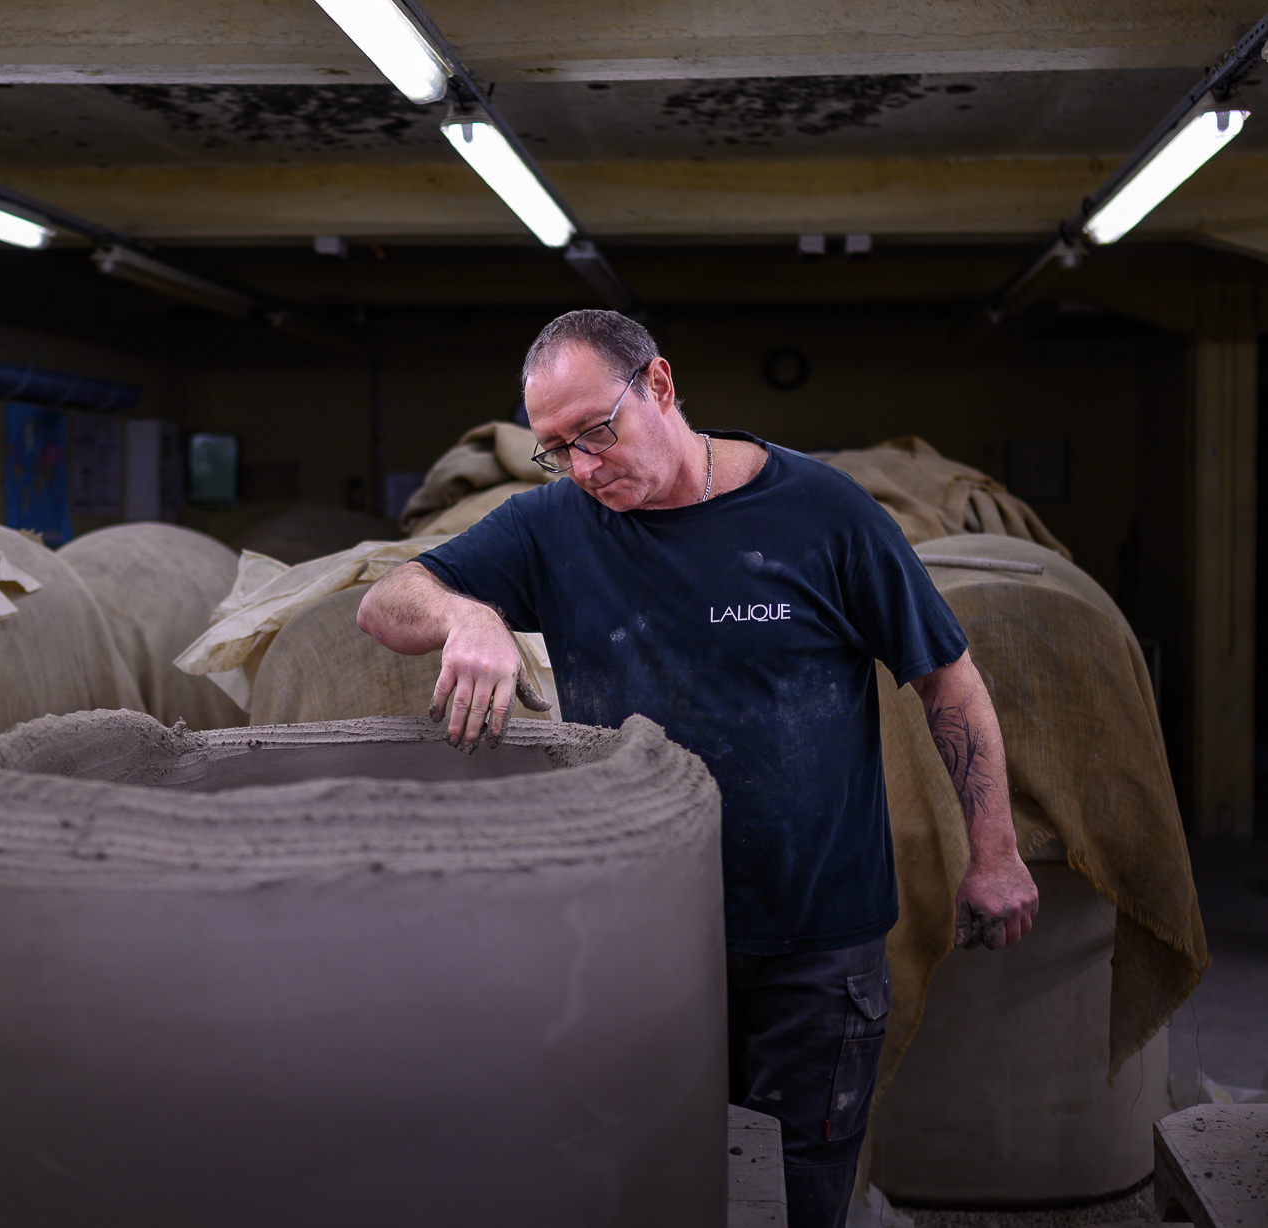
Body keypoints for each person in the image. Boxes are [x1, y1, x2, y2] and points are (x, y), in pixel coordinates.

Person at [357, 309, 1039, 1228]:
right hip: (643, 938)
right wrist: (466, 616)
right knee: (652, 1179)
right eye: (558, 451)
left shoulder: (822, 514)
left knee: (796, 1191)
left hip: (814, 944)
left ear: (662, 387)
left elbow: (946, 681)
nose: (587, 469)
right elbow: (384, 601)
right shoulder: (555, 525)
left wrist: (993, 852)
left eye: (597, 432)